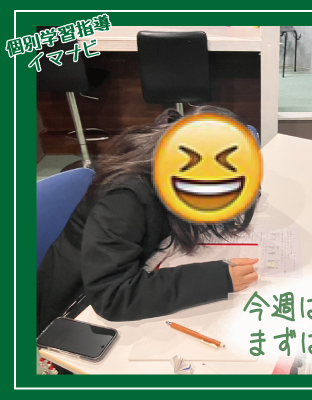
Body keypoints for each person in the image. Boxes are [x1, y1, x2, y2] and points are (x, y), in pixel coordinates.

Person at [37, 106, 259, 335]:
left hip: (140, 260)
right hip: (76, 312)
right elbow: (112, 295)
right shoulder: (125, 198)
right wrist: (218, 278)